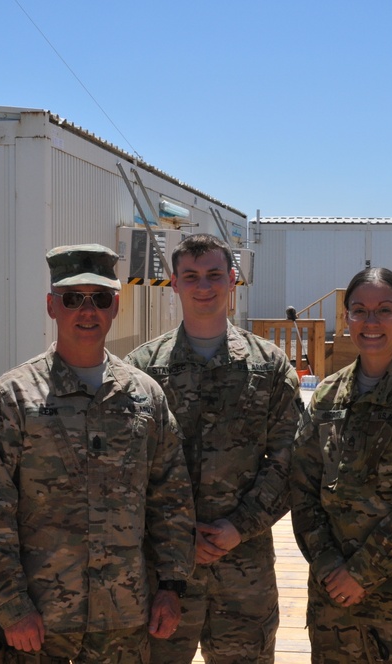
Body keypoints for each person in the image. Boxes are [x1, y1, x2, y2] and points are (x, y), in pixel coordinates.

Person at [0, 243, 195, 663]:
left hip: (123, 624)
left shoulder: (145, 396)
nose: (87, 311)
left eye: (99, 299)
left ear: (115, 306)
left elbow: (171, 498)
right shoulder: (15, 396)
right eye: (72, 299)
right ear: (52, 306)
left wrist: (172, 586)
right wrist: (12, 607)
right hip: (35, 627)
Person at [125, 233, 302, 663]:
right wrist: (180, 534)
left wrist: (240, 525)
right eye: (191, 276)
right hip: (165, 571)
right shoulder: (142, 369)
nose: (203, 286)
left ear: (232, 281)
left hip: (244, 567)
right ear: (174, 284)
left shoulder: (269, 366)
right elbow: (127, 470)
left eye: (214, 275)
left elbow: (290, 460)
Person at [290, 267, 392, 663]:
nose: (371, 322)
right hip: (335, 606)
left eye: (384, 310)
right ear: (346, 317)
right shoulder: (328, 395)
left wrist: (359, 574)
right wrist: (331, 567)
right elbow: (302, 490)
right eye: (359, 310)